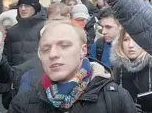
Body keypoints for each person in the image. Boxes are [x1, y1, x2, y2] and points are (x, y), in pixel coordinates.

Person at [7, 21, 137, 113]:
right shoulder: (23, 104)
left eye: (64, 46)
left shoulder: (115, 99)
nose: (53, 54)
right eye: (46, 49)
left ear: (83, 50)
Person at [0, 0, 46, 109]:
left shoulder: (45, 28)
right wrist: (5, 90)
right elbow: (6, 59)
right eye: (20, 6)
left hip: (39, 84)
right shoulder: (12, 31)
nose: (23, 9)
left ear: (35, 7)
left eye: (27, 6)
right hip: (16, 87)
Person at [110, 29, 152, 113]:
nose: (131, 45)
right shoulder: (116, 69)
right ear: (120, 43)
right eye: (126, 40)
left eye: (136, 39)